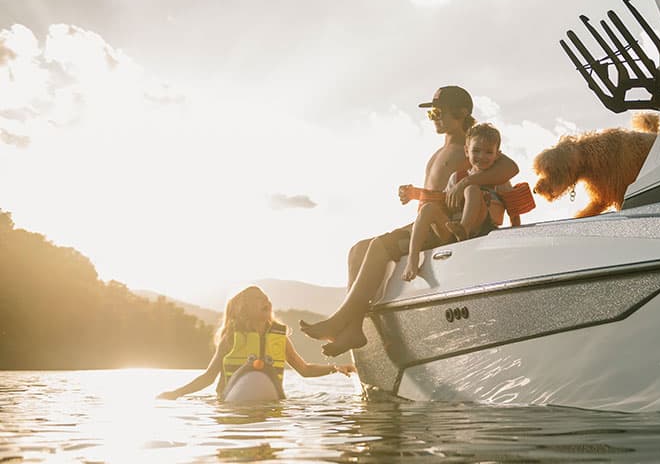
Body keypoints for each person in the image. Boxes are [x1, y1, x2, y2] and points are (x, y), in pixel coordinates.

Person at [299, 86, 519, 356]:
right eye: (431, 115)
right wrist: (417, 194)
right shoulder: (444, 149)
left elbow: (509, 168)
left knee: (380, 246)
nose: (434, 118)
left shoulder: (471, 147)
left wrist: (468, 183)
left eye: (439, 112)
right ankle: (353, 327)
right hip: (426, 219)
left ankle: (339, 318)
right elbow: (442, 193)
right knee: (357, 249)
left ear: (461, 113)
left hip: (444, 227)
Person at [157, 286, 354, 402]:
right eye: (258, 299)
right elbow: (208, 377)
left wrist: (335, 368)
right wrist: (176, 393)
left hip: (272, 400)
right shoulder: (231, 338)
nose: (266, 301)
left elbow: (304, 369)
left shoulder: (279, 337)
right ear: (242, 308)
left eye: (266, 299)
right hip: (231, 400)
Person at [403, 123, 516, 282]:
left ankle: (464, 229)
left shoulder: (499, 179)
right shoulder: (456, 178)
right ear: (466, 151)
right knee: (428, 208)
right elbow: (444, 200)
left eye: (488, 152)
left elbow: (514, 206)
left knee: (472, 190)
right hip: (451, 230)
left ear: (497, 155)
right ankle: (413, 258)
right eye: (476, 151)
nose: (481, 156)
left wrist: (516, 233)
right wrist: (416, 194)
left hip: (481, 229)